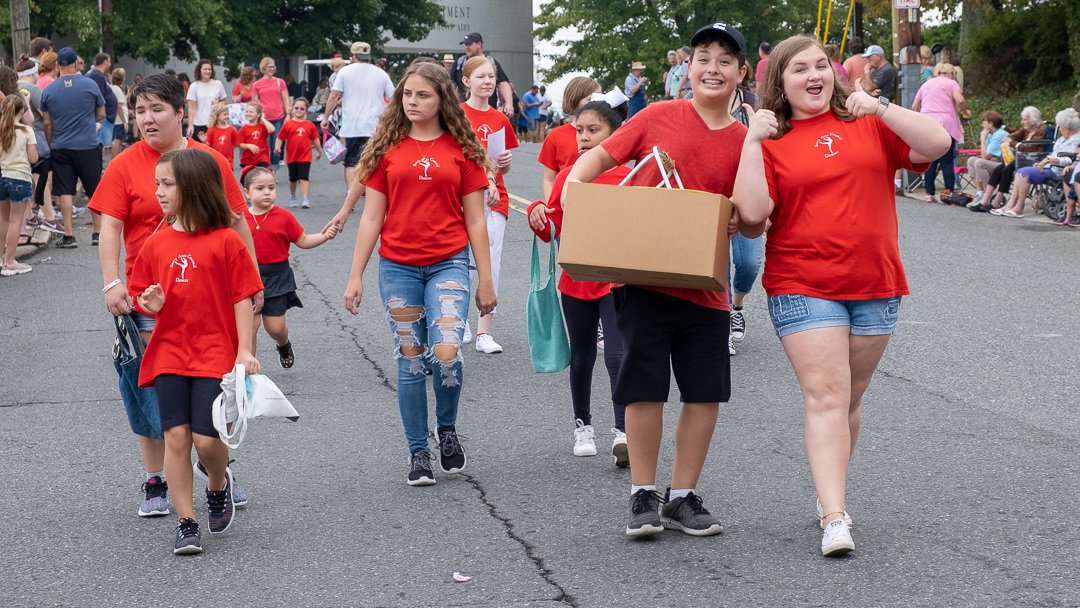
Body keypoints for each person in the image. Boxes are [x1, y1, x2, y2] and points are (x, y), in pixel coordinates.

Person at [732, 34, 950, 556]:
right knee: (827, 396)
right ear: (778, 83)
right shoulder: (774, 139)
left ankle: (831, 493)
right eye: (799, 69)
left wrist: (880, 105)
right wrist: (751, 141)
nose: (813, 75)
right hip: (803, 284)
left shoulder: (869, 122)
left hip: (875, 282)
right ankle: (834, 514)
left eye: (821, 66)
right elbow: (754, 218)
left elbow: (938, 144)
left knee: (849, 397)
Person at [564, 21, 751, 539]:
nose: (712, 67)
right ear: (687, 67)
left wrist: (742, 216)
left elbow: (755, 212)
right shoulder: (658, 115)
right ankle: (642, 493)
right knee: (645, 388)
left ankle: (683, 496)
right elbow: (601, 156)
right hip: (643, 277)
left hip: (707, 288)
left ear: (741, 72)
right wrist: (574, 192)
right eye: (703, 57)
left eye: (724, 59)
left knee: (704, 392)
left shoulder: (744, 140)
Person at [89, 74, 260, 521]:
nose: (147, 119)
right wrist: (112, 282)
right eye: (139, 111)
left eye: (156, 109)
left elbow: (238, 220)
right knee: (152, 389)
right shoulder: (125, 163)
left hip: (209, 291)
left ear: (180, 111)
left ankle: (213, 467)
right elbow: (109, 227)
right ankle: (156, 476)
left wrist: (255, 283)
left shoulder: (208, 160)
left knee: (207, 389)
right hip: (147, 295)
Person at [341, 61, 495, 486]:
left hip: (448, 263)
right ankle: (418, 450)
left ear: (442, 99)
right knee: (410, 360)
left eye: (422, 95)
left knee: (447, 351)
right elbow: (371, 219)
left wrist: (485, 278)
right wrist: (355, 276)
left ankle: (446, 429)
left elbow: (476, 221)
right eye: (407, 94)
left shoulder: (462, 150)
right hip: (399, 268)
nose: (412, 101)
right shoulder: (385, 148)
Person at [128, 148, 263, 555]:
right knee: (175, 436)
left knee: (206, 441)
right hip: (169, 351)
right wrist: (150, 305)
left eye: (167, 184)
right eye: (157, 184)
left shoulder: (226, 241)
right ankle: (186, 521)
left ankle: (217, 484)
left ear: (195, 188)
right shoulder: (156, 243)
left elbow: (243, 297)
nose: (159, 192)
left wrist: (245, 350)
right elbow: (142, 294)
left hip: (214, 352)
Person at [528, 98, 629, 464]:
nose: (584, 138)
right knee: (582, 354)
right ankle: (582, 424)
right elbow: (552, 227)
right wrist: (539, 217)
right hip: (575, 279)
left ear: (614, 132)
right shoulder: (569, 174)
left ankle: (623, 429)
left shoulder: (629, 174)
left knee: (618, 354)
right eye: (579, 131)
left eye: (593, 130)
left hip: (617, 279)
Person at [242, 166, 337, 367]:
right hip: (248, 277)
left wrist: (324, 236)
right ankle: (249, 373)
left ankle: (283, 344)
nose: (267, 192)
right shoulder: (239, 219)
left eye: (271, 187)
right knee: (250, 325)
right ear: (247, 192)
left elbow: (302, 240)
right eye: (260, 188)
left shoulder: (283, 216)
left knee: (275, 328)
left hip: (277, 276)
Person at [459, 56, 518, 354]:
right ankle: (461, 323)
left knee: (490, 263)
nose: (488, 81)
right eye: (480, 76)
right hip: (462, 197)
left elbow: (501, 162)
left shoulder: (499, 119)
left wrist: (503, 165)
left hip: (495, 197)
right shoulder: (456, 115)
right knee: (463, 261)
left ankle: (484, 331)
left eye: (491, 76)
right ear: (466, 81)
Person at [40, 47, 105, 249]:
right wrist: (86, 121)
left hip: (61, 146)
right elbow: (102, 113)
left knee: (65, 191)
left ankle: (69, 235)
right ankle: (98, 233)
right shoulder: (90, 84)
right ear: (76, 64)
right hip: (87, 144)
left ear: (58, 65)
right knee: (94, 190)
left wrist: (51, 144)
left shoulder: (49, 90)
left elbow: (47, 124)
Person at [321, 42, 394, 203]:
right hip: (375, 126)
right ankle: (372, 192)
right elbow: (393, 98)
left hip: (352, 126)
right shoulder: (380, 73)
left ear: (353, 56)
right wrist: (386, 116)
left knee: (351, 162)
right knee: (374, 159)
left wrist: (326, 117)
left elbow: (333, 96)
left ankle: (350, 194)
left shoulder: (344, 72)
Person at [994, 108, 1080, 218]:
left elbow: (1069, 159)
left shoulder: (1076, 141)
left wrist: (1047, 161)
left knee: (1024, 172)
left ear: (1068, 128)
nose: (1060, 129)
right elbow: (1053, 154)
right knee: (1019, 172)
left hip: (1059, 169)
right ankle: (1012, 205)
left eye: (1061, 126)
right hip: (1050, 167)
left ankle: (1019, 207)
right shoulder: (1062, 139)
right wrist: (1042, 162)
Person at [970, 106, 1046, 212]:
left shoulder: (1041, 130)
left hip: (1032, 159)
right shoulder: (1026, 130)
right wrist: (1009, 139)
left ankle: (996, 201)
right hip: (1022, 157)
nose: (1022, 122)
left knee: (1007, 169)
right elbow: (1013, 136)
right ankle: (985, 200)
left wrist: (1011, 142)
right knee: (998, 169)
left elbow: (1030, 147)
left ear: (1032, 120)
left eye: (1024, 119)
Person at [912, 62, 968, 202]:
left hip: (928, 124)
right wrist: (965, 111)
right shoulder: (952, 83)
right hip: (946, 124)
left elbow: (914, 106)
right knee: (947, 161)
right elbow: (960, 100)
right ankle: (948, 192)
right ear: (951, 73)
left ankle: (929, 194)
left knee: (930, 159)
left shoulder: (925, 84)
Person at [538, 76, 600, 198]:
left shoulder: (607, 134)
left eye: (600, 98)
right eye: (591, 99)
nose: (597, 102)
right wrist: (552, 206)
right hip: (567, 202)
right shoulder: (555, 136)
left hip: (600, 200)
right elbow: (549, 179)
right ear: (575, 100)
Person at [0, 94, 38, 276]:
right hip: (19, 178)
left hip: (2, 177)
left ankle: (0, 259)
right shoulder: (26, 131)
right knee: (16, 220)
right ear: (22, 111)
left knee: (3, 220)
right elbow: (33, 158)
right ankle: (9, 261)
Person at [275, 98, 323, 209]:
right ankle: (292, 196)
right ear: (292, 109)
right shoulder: (288, 124)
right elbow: (280, 137)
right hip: (292, 156)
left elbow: (316, 139)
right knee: (293, 178)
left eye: (302, 109)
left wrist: (319, 151)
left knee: (304, 177)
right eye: (296, 108)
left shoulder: (309, 125)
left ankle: (305, 199)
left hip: (305, 156)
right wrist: (277, 148)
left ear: (306, 111)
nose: (299, 110)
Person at [450, 32, 513, 113]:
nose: (467, 47)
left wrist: (509, 104)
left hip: (487, 111)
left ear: (479, 44)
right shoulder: (459, 62)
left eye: (469, 44)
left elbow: (503, 84)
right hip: (463, 113)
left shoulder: (491, 62)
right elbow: (451, 85)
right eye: (465, 44)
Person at [250, 57, 289, 170]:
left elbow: (286, 99)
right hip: (264, 118)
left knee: (276, 144)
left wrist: (288, 114)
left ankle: (274, 170)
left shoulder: (279, 82)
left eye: (273, 66)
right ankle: (265, 168)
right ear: (263, 68)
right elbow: (254, 101)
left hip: (279, 116)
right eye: (270, 66)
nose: (272, 69)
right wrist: (258, 115)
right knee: (265, 144)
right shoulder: (257, 84)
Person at [185, 59, 227, 143]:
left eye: (209, 69)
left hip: (215, 123)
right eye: (205, 69)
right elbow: (191, 108)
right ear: (199, 70)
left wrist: (217, 104)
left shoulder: (217, 84)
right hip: (199, 124)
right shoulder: (194, 86)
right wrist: (190, 125)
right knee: (201, 151)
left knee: (214, 150)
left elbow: (224, 101)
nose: (207, 71)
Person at [966, 111, 1006, 196]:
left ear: (990, 123)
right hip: (996, 162)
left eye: (983, 122)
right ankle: (980, 193)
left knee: (979, 163)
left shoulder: (999, 135)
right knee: (971, 160)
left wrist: (982, 138)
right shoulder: (991, 134)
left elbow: (985, 156)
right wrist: (990, 157)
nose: (982, 125)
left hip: (1005, 166)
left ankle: (988, 195)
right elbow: (985, 156)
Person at [86, 53, 118, 155]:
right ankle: (102, 168)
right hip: (104, 118)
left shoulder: (100, 76)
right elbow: (98, 97)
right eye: (109, 61)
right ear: (104, 62)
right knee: (102, 146)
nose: (110, 64)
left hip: (106, 117)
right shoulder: (97, 76)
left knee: (105, 145)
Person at [238, 101, 275, 171]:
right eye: (247, 111)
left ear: (258, 115)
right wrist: (248, 146)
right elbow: (240, 145)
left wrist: (262, 119)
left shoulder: (262, 127)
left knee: (262, 177)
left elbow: (272, 130)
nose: (248, 113)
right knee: (250, 180)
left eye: (251, 112)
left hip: (262, 158)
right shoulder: (243, 128)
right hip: (247, 160)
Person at [206, 104, 240, 168]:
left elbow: (236, 144)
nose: (227, 116)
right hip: (215, 162)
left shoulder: (232, 129)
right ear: (217, 116)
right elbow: (208, 146)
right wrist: (204, 141)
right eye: (224, 114)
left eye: (228, 114)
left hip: (228, 162)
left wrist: (228, 148)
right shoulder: (211, 130)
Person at [110, 68, 129, 152]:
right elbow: (119, 107)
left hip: (116, 120)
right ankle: (114, 161)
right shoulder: (117, 89)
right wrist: (124, 122)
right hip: (120, 120)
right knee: (117, 141)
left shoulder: (112, 88)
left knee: (117, 140)